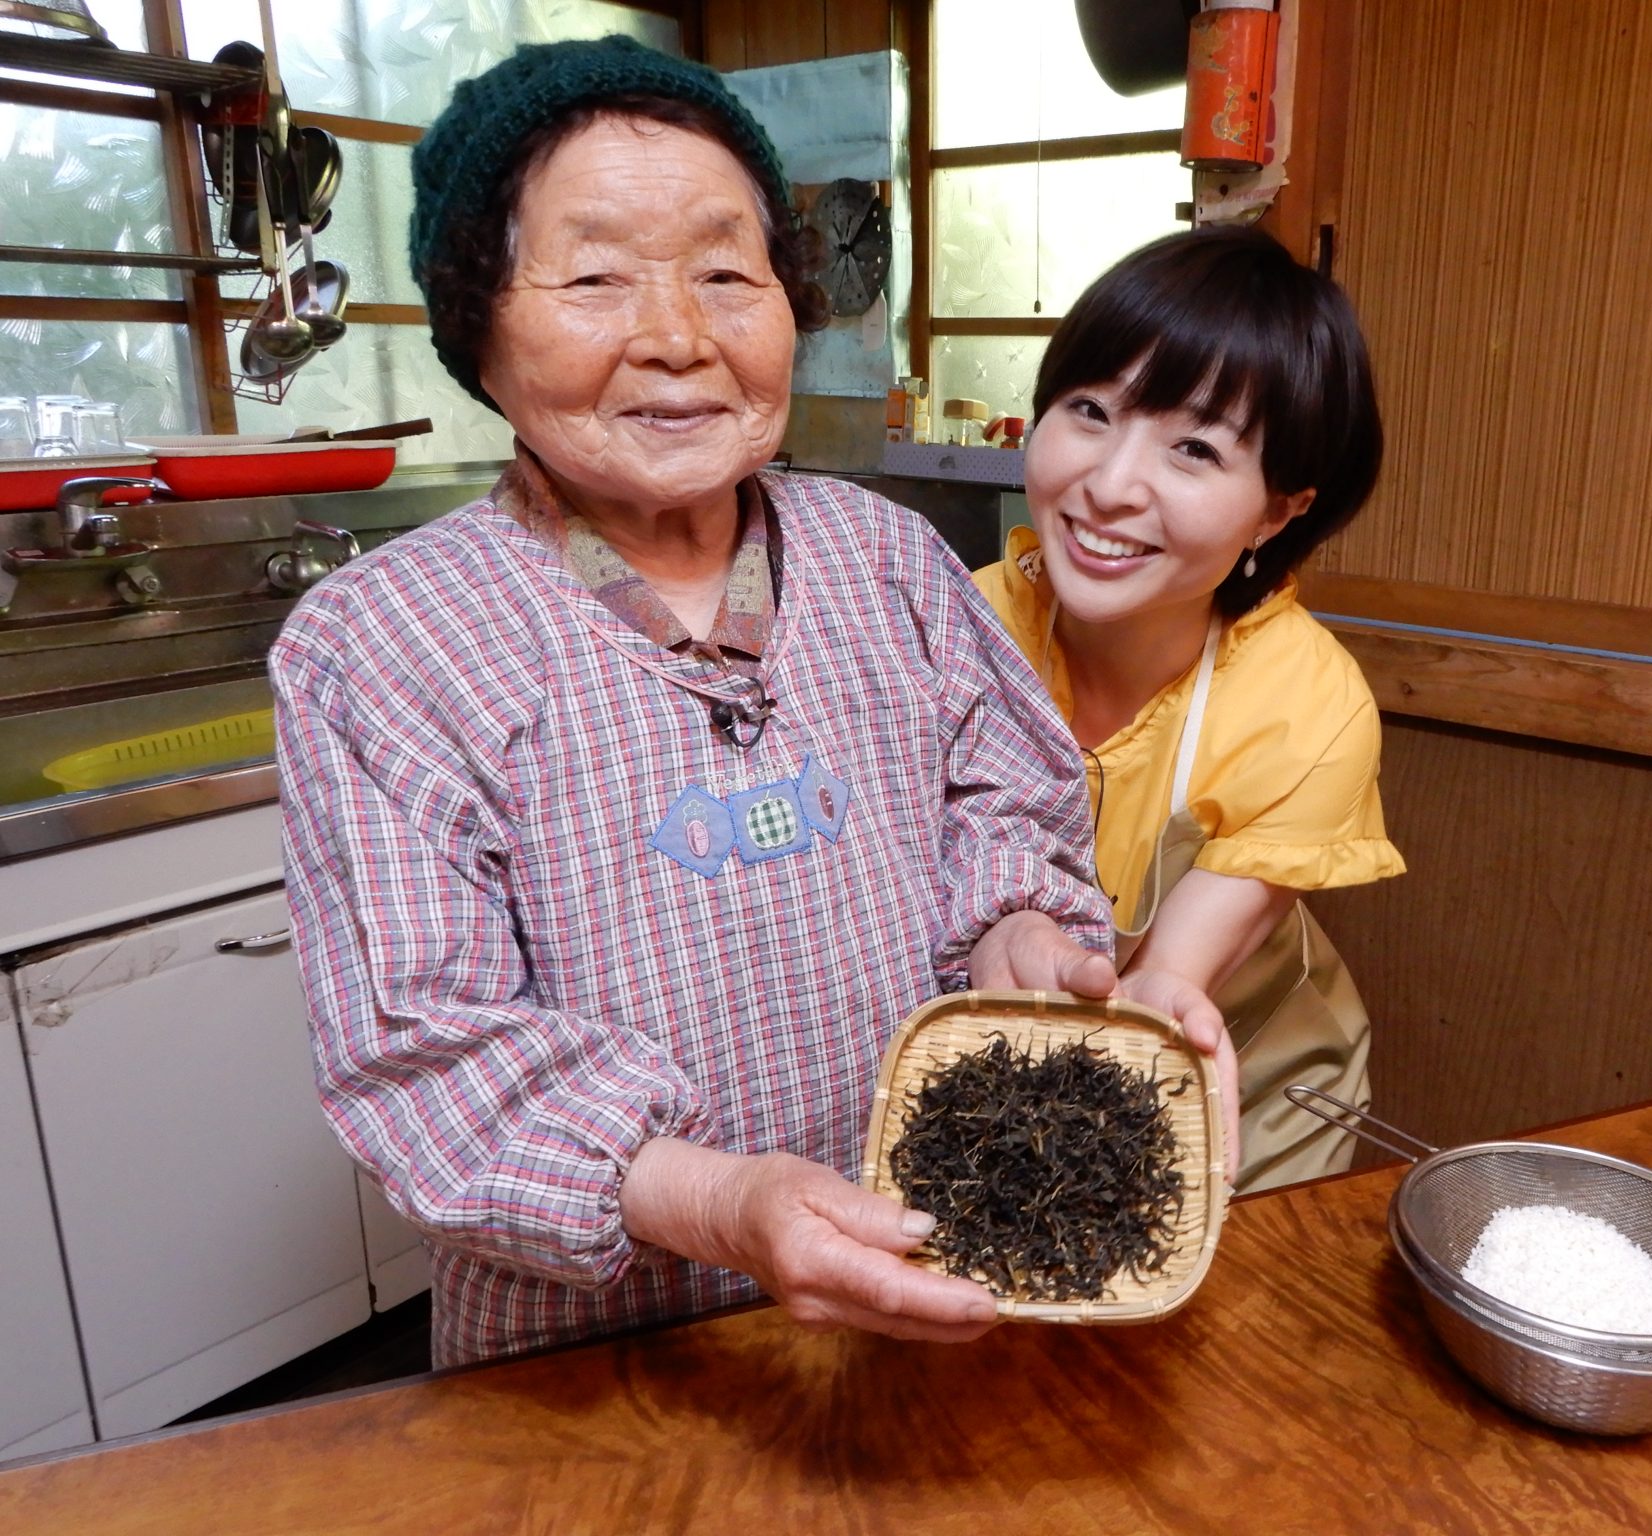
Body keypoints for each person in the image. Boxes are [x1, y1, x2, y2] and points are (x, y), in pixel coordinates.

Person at [271, 37, 1228, 1367]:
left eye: (729, 272)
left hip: (923, 1281)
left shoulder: (887, 559)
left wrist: (1018, 928)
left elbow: (1004, 798)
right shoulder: (381, 645)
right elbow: (425, 1056)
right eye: (596, 276)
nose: (678, 336)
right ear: (474, 322)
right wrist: (725, 1202)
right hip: (594, 1361)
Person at [973, 225, 1405, 1194]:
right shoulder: (958, 626)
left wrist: (1159, 999)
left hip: (1245, 1091)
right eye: (1088, 409)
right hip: (1019, 1084)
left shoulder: (1306, 710)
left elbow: (1166, 985)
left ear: (1277, 511)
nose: (1111, 486)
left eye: (1195, 449)